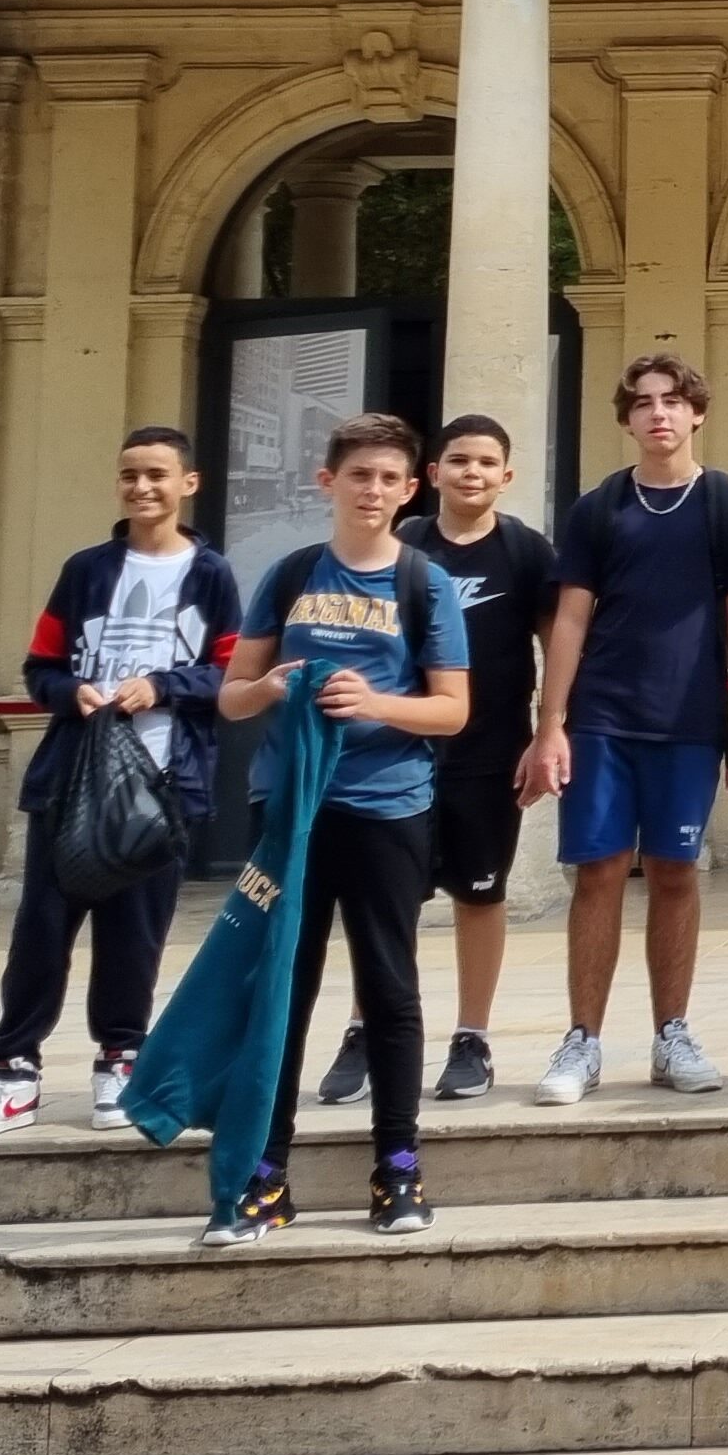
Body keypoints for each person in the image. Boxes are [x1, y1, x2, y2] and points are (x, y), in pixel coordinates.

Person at [206, 412, 471, 1244]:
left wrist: (378, 703)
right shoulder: (287, 575)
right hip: (289, 808)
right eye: (361, 476)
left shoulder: (425, 583)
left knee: (390, 990)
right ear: (329, 482)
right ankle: (263, 1172)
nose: (375, 491)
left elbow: (454, 709)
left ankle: (398, 1167)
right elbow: (231, 695)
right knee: (282, 989)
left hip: (389, 806)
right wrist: (272, 688)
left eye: (392, 479)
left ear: (411, 488)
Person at [0, 429, 240, 1135]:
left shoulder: (214, 575)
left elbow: (230, 672)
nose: (143, 487)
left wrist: (162, 686)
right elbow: (40, 664)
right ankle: (14, 1070)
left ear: (188, 483)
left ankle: (121, 1058)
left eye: (158, 475)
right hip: (72, 781)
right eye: (130, 474)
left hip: (162, 785)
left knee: (135, 934)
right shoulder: (86, 570)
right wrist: (70, 691)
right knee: (42, 927)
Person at [523, 354, 728, 1106]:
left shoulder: (727, 506)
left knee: (674, 874)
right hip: (599, 720)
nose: (659, 413)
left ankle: (673, 1035)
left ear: (697, 413)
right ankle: (582, 1042)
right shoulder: (599, 509)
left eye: (673, 400)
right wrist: (550, 723)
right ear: (626, 419)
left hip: (688, 725)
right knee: (596, 874)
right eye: (643, 402)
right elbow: (568, 618)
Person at [314, 414, 552, 1106]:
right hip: (397, 757)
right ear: (435, 475)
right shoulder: (405, 545)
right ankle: (364, 1028)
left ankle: (472, 1037)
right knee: (386, 904)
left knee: (481, 895)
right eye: (458, 460)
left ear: (507, 476)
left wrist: (550, 731)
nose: (471, 473)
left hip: (490, 756)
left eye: (486, 462)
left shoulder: (528, 552)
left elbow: (558, 645)